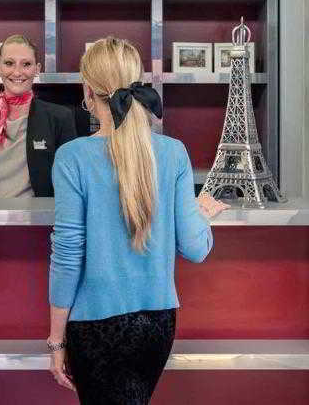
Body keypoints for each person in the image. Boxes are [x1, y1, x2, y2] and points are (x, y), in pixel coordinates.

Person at [47, 36, 228, 404]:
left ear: (88, 90)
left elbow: (68, 254)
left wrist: (56, 341)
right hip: (158, 323)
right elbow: (195, 249)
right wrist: (201, 212)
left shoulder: (72, 157)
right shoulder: (173, 152)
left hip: (95, 325)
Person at [0, 34, 77, 197]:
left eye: (26, 64)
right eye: (9, 63)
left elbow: (70, 188)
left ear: (37, 69)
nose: (17, 72)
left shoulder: (60, 118)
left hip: (41, 214)